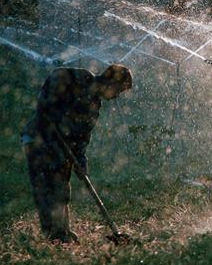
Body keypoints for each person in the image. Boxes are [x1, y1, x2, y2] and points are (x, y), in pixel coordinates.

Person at [21, 64, 132, 242]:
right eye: (118, 91)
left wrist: (81, 161)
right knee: (46, 187)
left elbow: (83, 137)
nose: (116, 97)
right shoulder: (82, 78)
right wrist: (49, 107)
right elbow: (54, 77)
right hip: (39, 140)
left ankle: (62, 230)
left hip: (62, 148)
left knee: (62, 189)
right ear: (110, 82)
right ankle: (53, 236)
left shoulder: (95, 106)